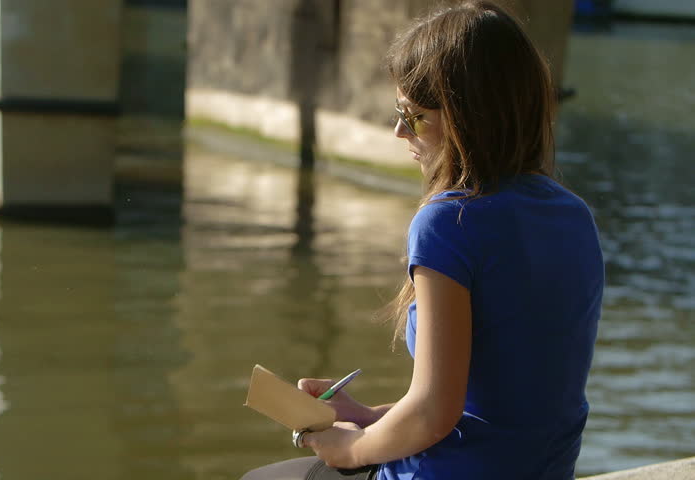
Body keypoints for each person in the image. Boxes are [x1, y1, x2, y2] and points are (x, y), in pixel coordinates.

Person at [240, 1, 604, 479]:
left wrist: (352, 450)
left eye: (412, 117)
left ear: (463, 117)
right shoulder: (574, 214)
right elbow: (501, 403)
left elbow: (435, 411)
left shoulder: (448, 222)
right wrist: (368, 419)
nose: (397, 131)